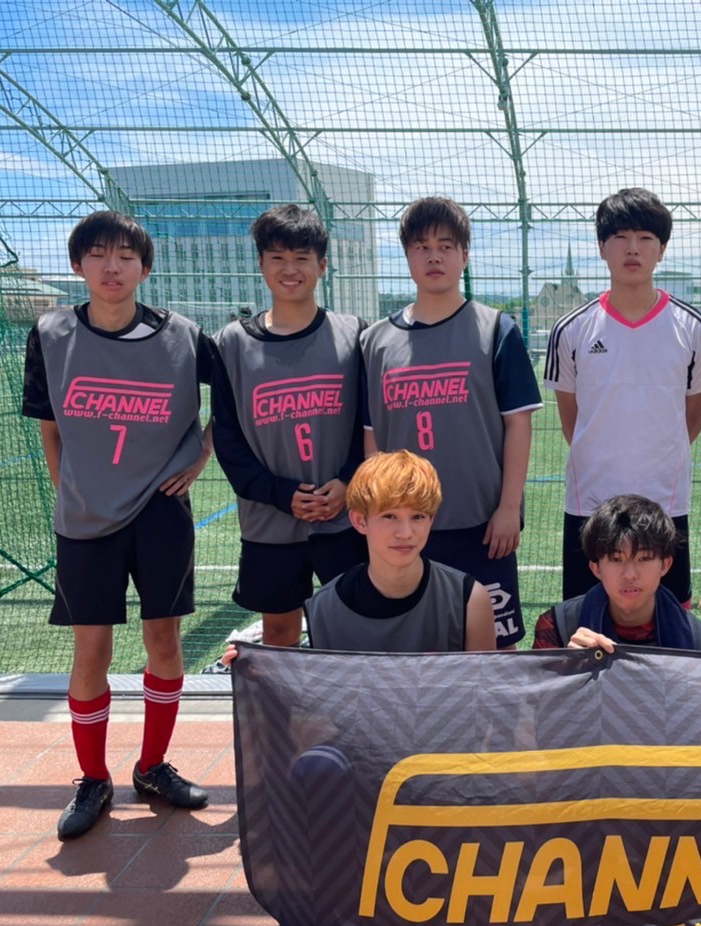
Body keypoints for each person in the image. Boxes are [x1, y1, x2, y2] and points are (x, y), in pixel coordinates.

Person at [21, 211, 215, 840]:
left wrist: (201, 455)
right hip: (86, 516)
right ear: (78, 265)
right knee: (92, 650)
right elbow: (50, 427)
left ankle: (153, 766)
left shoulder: (183, 335)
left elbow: (238, 396)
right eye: (99, 254)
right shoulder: (50, 333)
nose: (113, 266)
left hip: (160, 510)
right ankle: (93, 778)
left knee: (165, 640)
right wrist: (70, 490)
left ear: (145, 268)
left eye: (126, 256)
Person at [361, 198, 541, 648]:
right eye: (421, 247)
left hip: (481, 523)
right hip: (406, 527)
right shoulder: (375, 342)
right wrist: (379, 516)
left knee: (495, 648)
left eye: (445, 246)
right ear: (406, 256)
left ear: (465, 255)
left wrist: (509, 508)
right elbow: (371, 438)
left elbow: (518, 426)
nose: (434, 256)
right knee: (413, 647)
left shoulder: (496, 329)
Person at [545, 188, 701, 605]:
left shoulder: (693, 327)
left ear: (662, 249)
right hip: (590, 502)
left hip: (665, 502)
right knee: (586, 616)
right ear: (601, 247)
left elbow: (691, 420)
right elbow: (572, 421)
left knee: (668, 618)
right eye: (620, 237)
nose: (632, 249)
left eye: (645, 238)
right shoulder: (571, 329)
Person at [212, 204, 366, 648]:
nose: (289, 269)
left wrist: (349, 482)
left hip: (344, 516)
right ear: (261, 264)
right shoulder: (231, 343)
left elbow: (370, 423)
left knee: (352, 627)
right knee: (279, 631)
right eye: (277, 257)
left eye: (301, 257)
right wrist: (279, 493)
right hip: (269, 521)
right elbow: (227, 437)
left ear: (322, 265)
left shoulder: (354, 334)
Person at [227, 451, 495, 657]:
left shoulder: (470, 600)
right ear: (359, 521)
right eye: (389, 516)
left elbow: (483, 700)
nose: (405, 533)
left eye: (418, 517)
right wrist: (255, 671)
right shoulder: (324, 608)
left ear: (431, 519)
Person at [532, 494, 701, 652]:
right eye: (616, 559)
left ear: (665, 565)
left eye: (644, 558)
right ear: (596, 568)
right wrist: (567, 666)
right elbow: (536, 685)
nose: (630, 575)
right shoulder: (557, 627)